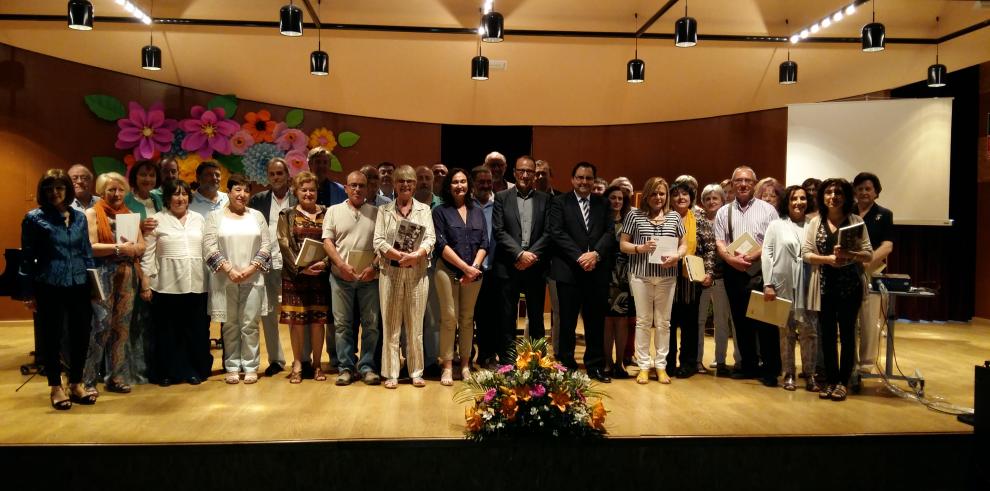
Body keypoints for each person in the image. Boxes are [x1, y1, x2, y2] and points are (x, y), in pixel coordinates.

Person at [20, 169, 96, 409]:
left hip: (79, 283)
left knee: (81, 334)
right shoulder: (34, 218)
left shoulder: (80, 217)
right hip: (49, 284)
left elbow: (86, 251)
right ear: (43, 192)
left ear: (67, 190)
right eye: (49, 189)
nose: (55, 193)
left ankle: (76, 383)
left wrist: (95, 285)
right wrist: (28, 292)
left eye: (60, 188)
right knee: (51, 337)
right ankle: (55, 386)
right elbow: (27, 257)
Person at [802, 178, 872, 401]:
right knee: (828, 336)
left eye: (838, 192)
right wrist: (828, 259)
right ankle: (831, 381)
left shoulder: (856, 221)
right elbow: (806, 254)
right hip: (824, 287)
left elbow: (868, 254)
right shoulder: (815, 222)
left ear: (846, 196)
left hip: (850, 287)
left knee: (849, 334)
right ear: (823, 197)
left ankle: (843, 382)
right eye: (829, 192)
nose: (833, 196)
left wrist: (850, 255)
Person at [548, 162, 615, 382]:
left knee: (595, 321)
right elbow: (557, 233)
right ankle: (566, 366)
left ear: (594, 180)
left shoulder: (603, 204)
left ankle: (595, 365)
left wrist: (595, 254)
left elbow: (609, 232)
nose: (584, 182)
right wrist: (580, 256)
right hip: (569, 270)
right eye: (580, 177)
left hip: (596, 271)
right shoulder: (559, 202)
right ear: (572, 179)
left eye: (588, 178)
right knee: (567, 321)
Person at [141, 178, 213, 386]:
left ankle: (192, 370)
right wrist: (145, 283)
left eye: (183, 194)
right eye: (175, 194)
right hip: (166, 285)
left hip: (197, 284)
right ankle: (166, 372)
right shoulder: (156, 220)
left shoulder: (199, 219)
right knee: (167, 332)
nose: (180, 198)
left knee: (194, 331)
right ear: (167, 198)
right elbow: (148, 255)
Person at [713, 166, 780, 387]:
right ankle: (749, 366)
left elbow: (773, 241)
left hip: (760, 272)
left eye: (747, 181)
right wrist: (731, 260)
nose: (743, 184)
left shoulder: (768, 210)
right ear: (732, 185)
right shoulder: (724, 212)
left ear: (754, 183)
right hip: (734, 273)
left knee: (766, 323)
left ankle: (770, 369)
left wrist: (753, 255)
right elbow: (720, 242)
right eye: (739, 181)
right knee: (741, 323)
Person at [204, 173, 272, 385]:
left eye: (246, 190)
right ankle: (232, 366)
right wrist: (229, 270)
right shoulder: (215, 217)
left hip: (253, 279)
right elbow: (209, 246)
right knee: (230, 325)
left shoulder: (256, 216)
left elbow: (266, 246)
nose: (242, 194)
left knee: (250, 325)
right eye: (237, 190)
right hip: (226, 279)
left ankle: (251, 366)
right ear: (229, 192)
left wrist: (251, 269)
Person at [83, 172, 148, 394]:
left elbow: (141, 246)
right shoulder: (92, 213)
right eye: (111, 189)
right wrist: (119, 248)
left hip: (127, 275)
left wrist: (134, 248)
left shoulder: (129, 214)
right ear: (102, 192)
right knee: (100, 327)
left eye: (120, 189)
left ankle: (116, 377)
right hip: (102, 274)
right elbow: (90, 246)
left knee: (122, 328)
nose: (116, 193)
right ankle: (88, 380)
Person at [374, 165, 436, 389]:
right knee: (391, 326)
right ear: (394, 184)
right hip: (390, 273)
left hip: (417, 273)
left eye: (409, 181)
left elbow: (430, 239)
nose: (405, 185)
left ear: (415, 184)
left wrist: (417, 255)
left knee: (414, 326)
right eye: (401, 181)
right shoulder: (384, 211)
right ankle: (391, 372)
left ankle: (416, 371)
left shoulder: (424, 210)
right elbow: (378, 241)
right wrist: (397, 254)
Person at [619, 177, 685, 385]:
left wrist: (677, 256)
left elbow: (683, 245)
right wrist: (640, 248)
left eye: (662, 193)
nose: (658, 197)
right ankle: (644, 366)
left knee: (664, 323)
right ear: (646, 195)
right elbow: (623, 245)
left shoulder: (674, 217)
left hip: (667, 277)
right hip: (641, 275)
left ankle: (661, 366)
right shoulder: (634, 215)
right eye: (654, 193)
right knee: (643, 321)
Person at [324, 171, 382, 386]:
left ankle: (367, 367)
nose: (357, 189)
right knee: (342, 325)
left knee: (371, 324)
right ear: (346, 188)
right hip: (341, 278)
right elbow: (328, 242)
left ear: (367, 189)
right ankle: (346, 367)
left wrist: (373, 267)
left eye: (361, 186)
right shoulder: (333, 211)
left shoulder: (377, 213)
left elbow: (383, 245)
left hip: (369, 278)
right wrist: (341, 264)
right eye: (353, 185)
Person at [432, 168, 489, 385]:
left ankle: (465, 365)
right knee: (449, 319)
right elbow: (441, 245)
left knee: (467, 320)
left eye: (463, 181)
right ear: (449, 186)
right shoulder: (440, 211)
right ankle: (447, 366)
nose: (459, 186)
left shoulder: (477, 211)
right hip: (447, 270)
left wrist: (473, 268)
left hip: (473, 273)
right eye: (455, 182)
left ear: (469, 184)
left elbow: (485, 243)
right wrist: (465, 267)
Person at [492, 156, 551, 364]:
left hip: (535, 266)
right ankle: (508, 362)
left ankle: (537, 362)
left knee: (536, 318)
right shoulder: (501, 197)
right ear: (514, 172)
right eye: (521, 171)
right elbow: (499, 231)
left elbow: (548, 232)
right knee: (507, 317)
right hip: (509, 265)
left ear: (535, 174)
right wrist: (519, 254)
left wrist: (530, 256)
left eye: (530, 171)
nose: (525, 175)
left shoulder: (545, 199)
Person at [276, 171, 332, 383]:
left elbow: (333, 243)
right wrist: (301, 269)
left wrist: (324, 263)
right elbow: (284, 244)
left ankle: (317, 365)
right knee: (297, 323)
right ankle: (298, 363)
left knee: (318, 322)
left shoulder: (327, 213)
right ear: (296, 191)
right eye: (304, 189)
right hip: (295, 277)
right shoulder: (287, 215)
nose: (308, 193)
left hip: (320, 276)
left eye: (312, 189)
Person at [762, 185, 817, 392]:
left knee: (809, 331)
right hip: (782, 283)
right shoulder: (776, 225)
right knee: (785, 332)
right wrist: (768, 283)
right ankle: (789, 373)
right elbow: (767, 254)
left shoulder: (814, 224)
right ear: (787, 201)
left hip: (808, 284)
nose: (799, 202)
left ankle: (810, 374)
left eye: (803, 198)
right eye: (794, 198)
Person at [247, 158, 295, 377]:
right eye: (272, 174)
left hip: (294, 263)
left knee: (297, 312)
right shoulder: (257, 200)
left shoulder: (298, 197)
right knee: (268, 313)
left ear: (287, 175)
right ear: (268, 177)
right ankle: (276, 359)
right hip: (267, 264)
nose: (276, 177)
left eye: (280, 173)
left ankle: (301, 359)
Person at [667, 180, 716, 378]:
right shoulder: (665, 219)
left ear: (691, 199)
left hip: (691, 279)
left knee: (689, 324)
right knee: (667, 323)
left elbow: (711, 249)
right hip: (666, 277)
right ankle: (667, 362)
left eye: (685, 194)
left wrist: (709, 273)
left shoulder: (701, 221)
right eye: (677, 194)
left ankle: (688, 363)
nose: (681, 198)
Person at [853, 172, 893, 374]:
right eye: (859, 189)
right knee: (848, 321)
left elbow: (887, 246)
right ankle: (849, 364)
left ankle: (867, 365)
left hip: (871, 272)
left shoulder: (884, 214)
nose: (863, 192)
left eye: (868, 189)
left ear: (876, 192)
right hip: (847, 273)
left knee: (869, 321)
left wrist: (867, 262)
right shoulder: (846, 212)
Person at [696, 184, 738, 376]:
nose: (711, 202)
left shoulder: (728, 220)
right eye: (707, 199)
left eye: (715, 198)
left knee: (722, 321)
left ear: (723, 200)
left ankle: (720, 360)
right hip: (700, 279)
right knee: (700, 320)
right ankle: (697, 360)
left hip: (723, 278)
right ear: (702, 202)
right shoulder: (697, 220)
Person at [470, 165, 500, 368]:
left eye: (488, 182)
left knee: (491, 316)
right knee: (468, 316)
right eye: (481, 182)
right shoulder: (466, 205)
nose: (486, 185)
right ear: (473, 184)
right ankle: (466, 356)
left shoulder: (499, 203)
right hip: (469, 268)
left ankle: (488, 355)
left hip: (493, 268)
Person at [603, 185, 634, 379]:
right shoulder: (601, 220)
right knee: (607, 321)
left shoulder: (629, 221)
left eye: (620, 199)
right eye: (613, 198)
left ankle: (620, 363)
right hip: (604, 275)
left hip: (624, 276)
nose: (616, 202)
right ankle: (607, 362)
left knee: (622, 321)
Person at [124, 159, 164, 237]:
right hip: (136, 247)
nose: (148, 179)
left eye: (152, 175)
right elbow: (121, 231)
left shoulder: (158, 199)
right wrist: (139, 226)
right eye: (143, 175)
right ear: (135, 177)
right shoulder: (125, 201)